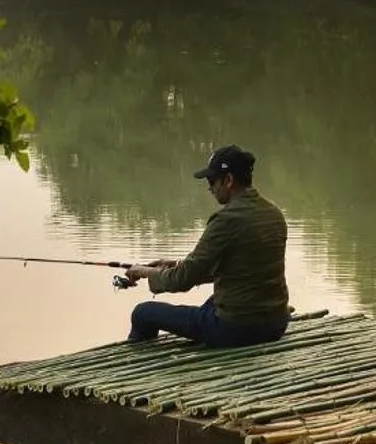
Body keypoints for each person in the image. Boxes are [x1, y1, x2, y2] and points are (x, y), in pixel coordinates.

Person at [124, 145, 290, 346]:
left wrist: (144, 272)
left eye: (212, 181)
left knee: (143, 313)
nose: (209, 188)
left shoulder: (226, 220)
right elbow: (240, 267)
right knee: (211, 304)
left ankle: (139, 365)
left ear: (228, 180)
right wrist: (175, 263)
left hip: (236, 329)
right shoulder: (274, 214)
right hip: (276, 324)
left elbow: (182, 280)